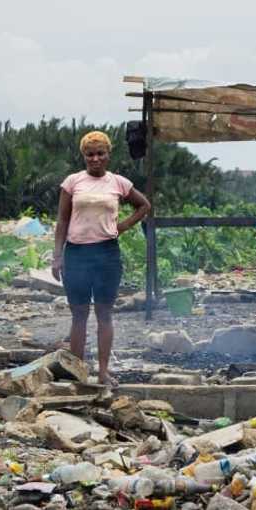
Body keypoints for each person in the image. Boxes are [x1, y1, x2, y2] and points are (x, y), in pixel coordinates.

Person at [52, 130, 150, 387]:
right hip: (76, 254)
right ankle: (78, 371)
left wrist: (123, 226)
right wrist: (57, 256)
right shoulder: (72, 182)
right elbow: (62, 220)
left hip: (106, 254)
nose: (95, 159)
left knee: (104, 313)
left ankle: (103, 371)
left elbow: (144, 206)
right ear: (84, 156)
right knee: (79, 315)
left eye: (100, 154)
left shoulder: (118, 183)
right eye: (89, 154)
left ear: (108, 155)